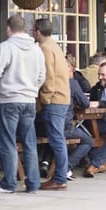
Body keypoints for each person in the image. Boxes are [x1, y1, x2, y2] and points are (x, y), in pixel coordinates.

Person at [0, 15, 46, 194]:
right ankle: (33, 183)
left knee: (7, 142)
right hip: (29, 100)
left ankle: (9, 183)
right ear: (26, 28)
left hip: (9, 99)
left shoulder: (6, 47)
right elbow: (42, 76)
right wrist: (32, 89)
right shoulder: (37, 50)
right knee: (29, 142)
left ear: (8, 28)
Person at [33, 18, 71, 190]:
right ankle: (60, 176)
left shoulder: (45, 49)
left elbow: (48, 76)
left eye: (33, 30)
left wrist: (44, 99)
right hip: (62, 98)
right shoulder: (55, 46)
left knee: (57, 140)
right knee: (58, 139)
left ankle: (60, 178)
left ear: (38, 31)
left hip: (54, 99)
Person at [64, 56, 94, 179]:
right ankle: (67, 166)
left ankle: (47, 163)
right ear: (71, 71)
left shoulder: (49, 81)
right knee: (88, 140)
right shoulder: (72, 83)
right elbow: (85, 103)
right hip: (64, 126)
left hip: (42, 125)